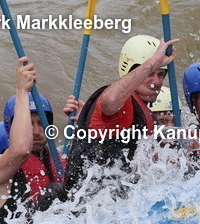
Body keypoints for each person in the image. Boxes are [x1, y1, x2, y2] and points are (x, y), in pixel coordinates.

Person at [63, 35, 177, 195]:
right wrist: (153, 61)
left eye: (160, 75)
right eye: (150, 73)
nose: (156, 82)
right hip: (90, 205)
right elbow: (110, 100)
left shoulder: (138, 109)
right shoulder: (124, 103)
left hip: (115, 203)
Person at [0, 58, 66, 224]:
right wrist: (21, 91)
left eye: (41, 124)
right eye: (29, 124)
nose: (35, 131)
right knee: (53, 192)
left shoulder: (59, 159)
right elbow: (21, 150)